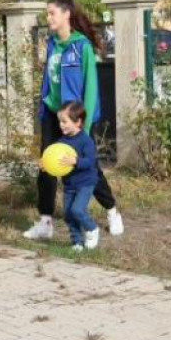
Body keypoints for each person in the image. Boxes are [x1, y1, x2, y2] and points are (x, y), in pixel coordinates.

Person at [23, 0, 125, 242]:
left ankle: (112, 212)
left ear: (66, 14)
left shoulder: (82, 47)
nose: (48, 18)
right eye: (47, 14)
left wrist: (84, 125)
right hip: (52, 114)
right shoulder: (51, 44)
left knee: (88, 168)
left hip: (75, 119)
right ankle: (45, 222)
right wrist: (43, 109)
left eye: (51, 13)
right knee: (46, 166)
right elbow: (49, 81)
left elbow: (91, 88)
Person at [53, 101, 101, 251]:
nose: (61, 125)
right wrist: (46, 165)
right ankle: (77, 242)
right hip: (69, 185)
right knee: (68, 214)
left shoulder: (86, 141)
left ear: (78, 122)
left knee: (77, 210)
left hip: (85, 183)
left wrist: (76, 161)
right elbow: (56, 162)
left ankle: (92, 229)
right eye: (60, 121)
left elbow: (90, 161)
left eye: (64, 121)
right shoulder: (61, 142)